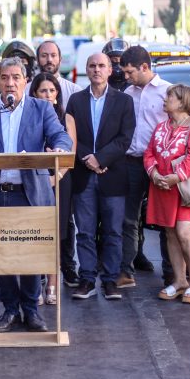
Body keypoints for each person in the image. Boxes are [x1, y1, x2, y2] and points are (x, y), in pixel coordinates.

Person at [0, 57, 72, 333]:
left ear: (25, 80)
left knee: (31, 255)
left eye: (15, 77)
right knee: (3, 256)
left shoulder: (41, 109)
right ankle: (10, 310)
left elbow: (60, 137)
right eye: (4, 77)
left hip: (30, 193)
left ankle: (31, 311)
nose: (10, 82)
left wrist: (59, 149)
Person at [66, 53, 136, 302]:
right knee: (84, 231)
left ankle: (110, 281)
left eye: (101, 66)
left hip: (113, 175)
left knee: (112, 232)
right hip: (84, 174)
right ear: (86, 69)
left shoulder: (124, 101)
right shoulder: (75, 101)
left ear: (109, 70)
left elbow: (125, 138)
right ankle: (87, 279)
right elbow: (70, 136)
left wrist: (101, 159)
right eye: (92, 65)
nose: (97, 69)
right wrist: (88, 158)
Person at [144, 84, 190, 305]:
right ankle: (180, 280)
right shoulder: (161, 126)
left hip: (184, 189)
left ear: (182, 102)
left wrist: (176, 176)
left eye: (169, 97)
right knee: (170, 234)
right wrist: (154, 174)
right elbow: (150, 153)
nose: (165, 100)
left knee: (184, 233)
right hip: (162, 187)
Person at [119, 45, 171, 287]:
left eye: (130, 72)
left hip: (161, 164)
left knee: (165, 220)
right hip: (131, 162)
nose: (126, 77)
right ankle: (126, 271)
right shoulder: (127, 94)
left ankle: (171, 274)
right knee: (128, 218)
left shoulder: (167, 91)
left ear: (145, 67)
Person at [33, 40, 82, 286]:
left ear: (60, 59)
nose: (49, 59)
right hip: (35, 175)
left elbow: (72, 142)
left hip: (62, 174)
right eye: (44, 55)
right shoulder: (29, 94)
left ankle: (67, 267)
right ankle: (39, 274)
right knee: (38, 225)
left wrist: (58, 175)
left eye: (53, 55)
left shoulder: (73, 90)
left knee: (65, 223)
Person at [29, 71, 75, 305]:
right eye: (42, 91)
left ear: (57, 95)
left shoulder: (66, 119)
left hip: (59, 181)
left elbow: (69, 154)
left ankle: (52, 287)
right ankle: (35, 286)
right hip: (33, 183)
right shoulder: (29, 117)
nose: (47, 95)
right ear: (34, 94)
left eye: (51, 91)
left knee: (54, 236)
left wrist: (54, 178)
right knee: (34, 235)